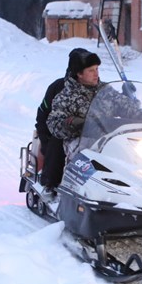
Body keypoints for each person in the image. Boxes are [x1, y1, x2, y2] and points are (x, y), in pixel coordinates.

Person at [47, 51, 142, 192]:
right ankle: (78, 192)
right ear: (79, 74)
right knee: (91, 158)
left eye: (97, 69)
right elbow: (53, 122)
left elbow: (124, 105)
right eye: (91, 70)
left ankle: (138, 189)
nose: (96, 73)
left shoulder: (105, 91)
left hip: (108, 139)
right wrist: (72, 123)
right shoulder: (66, 96)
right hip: (80, 141)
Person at [35, 48, 88, 190]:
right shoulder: (57, 87)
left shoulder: (97, 89)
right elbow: (42, 114)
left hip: (91, 134)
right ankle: (50, 184)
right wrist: (45, 141)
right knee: (57, 142)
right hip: (63, 134)